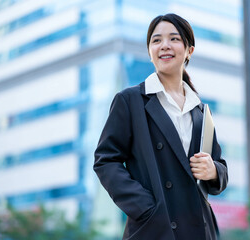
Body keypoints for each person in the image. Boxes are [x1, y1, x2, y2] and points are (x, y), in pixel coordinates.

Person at [94, 13, 228, 240]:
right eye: (156, 40)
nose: (165, 45)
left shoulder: (201, 111)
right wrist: (146, 208)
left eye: (174, 39)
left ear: (189, 50)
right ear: (149, 52)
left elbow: (219, 165)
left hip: (199, 229)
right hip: (154, 229)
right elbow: (106, 160)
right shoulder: (130, 101)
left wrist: (213, 171)